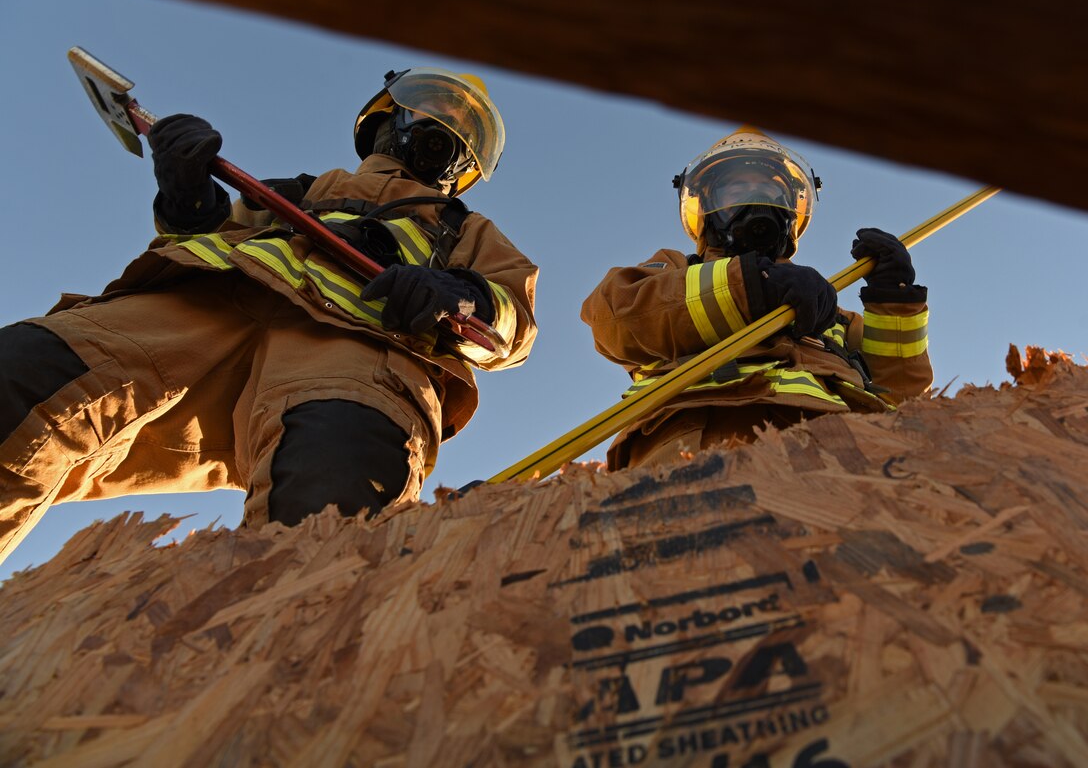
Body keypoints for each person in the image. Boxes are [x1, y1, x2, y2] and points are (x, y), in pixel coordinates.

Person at [0, 67, 538, 565]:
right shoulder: (301, 193)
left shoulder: (467, 231)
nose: (444, 125)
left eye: (465, 126)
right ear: (387, 117)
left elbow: (512, 324)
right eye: (433, 106)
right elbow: (208, 233)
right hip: (197, 312)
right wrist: (188, 194)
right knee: (21, 376)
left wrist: (460, 295)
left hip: (356, 353)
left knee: (330, 498)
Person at [581, 126, 931, 470]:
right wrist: (750, 286)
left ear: (791, 210)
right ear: (707, 209)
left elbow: (904, 399)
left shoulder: (832, 316)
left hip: (837, 462)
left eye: (768, 188)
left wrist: (894, 300)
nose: (755, 199)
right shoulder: (674, 271)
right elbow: (614, 318)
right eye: (736, 189)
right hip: (692, 455)